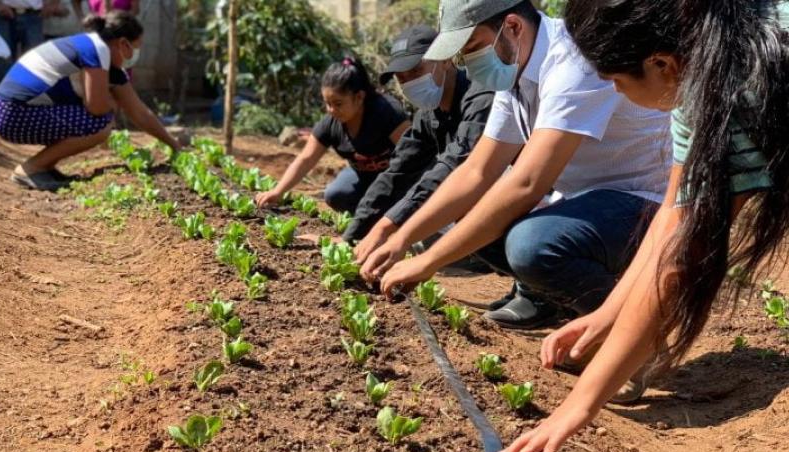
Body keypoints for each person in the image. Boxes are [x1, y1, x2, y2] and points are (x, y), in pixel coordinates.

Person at [493, 0, 789, 452]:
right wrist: (606, 315)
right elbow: (673, 214)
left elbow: (682, 256)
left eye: (615, 80)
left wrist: (579, 405)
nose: (615, 91)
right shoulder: (699, 71)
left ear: (660, 64)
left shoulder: (745, 82)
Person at [367, 0, 670, 336]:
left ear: (512, 27)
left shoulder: (574, 62)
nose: (468, 62)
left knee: (532, 245)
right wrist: (401, 237)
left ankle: (633, 332)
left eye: (473, 46)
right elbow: (477, 170)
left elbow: (527, 183)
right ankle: (552, 299)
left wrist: (428, 262)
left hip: (647, 203)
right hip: (584, 201)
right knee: (472, 212)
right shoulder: (516, 70)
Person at [343, 25, 495, 260]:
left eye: (416, 71)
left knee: (440, 228)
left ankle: (488, 257)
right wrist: (354, 235)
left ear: (445, 59)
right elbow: (398, 171)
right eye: (401, 78)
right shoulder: (429, 112)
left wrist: (388, 225)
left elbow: (455, 164)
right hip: (471, 196)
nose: (409, 83)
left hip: (512, 197)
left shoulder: (480, 97)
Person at [0, 10, 183, 190]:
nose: (135, 55)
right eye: (136, 48)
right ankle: (30, 169)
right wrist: (111, 104)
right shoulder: (96, 50)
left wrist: (173, 145)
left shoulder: (105, 59)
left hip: (11, 110)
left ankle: (45, 167)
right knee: (101, 124)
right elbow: (96, 108)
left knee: (96, 119)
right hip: (13, 113)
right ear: (123, 43)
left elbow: (139, 112)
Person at [256, 56, 410, 214]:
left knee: (400, 205)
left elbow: (415, 154)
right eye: (327, 103)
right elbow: (306, 159)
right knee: (336, 195)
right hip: (364, 178)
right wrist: (278, 191)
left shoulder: (387, 113)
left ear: (359, 97)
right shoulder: (331, 123)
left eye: (338, 104)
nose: (331, 110)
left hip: (398, 179)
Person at [0, 1, 65, 60]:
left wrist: (53, 3)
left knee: (34, 58)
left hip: (34, 16)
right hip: (4, 14)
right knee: (2, 57)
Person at [71, 0, 140, 18]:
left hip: (121, 30)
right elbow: (75, 1)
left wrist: (119, 16)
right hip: (97, 31)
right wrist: (81, 17)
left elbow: (135, 11)